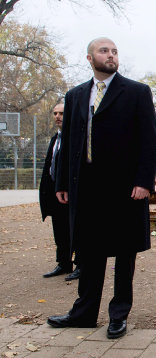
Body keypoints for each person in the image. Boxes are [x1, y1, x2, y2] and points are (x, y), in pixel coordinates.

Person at [47, 37, 156, 339]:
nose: (110, 55)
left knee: (124, 253)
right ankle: (83, 314)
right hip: (86, 189)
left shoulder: (136, 92)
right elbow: (70, 142)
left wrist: (143, 181)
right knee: (88, 251)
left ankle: (118, 314)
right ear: (89, 58)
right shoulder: (75, 96)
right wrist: (62, 182)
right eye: (103, 50)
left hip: (125, 189)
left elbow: (149, 141)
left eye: (114, 51)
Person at [39, 102, 80, 281]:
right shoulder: (56, 139)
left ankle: (81, 264)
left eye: (61, 113)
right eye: (55, 113)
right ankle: (63, 263)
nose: (57, 116)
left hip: (73, 192)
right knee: (60, 229)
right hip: (56, 192)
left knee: (76, 228)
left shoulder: (76, 138)